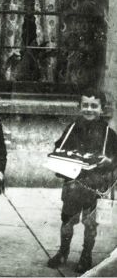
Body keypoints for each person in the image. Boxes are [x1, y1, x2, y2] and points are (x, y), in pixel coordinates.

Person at [47, 88, 117, 273]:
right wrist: (63, 156)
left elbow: (114, 159)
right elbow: (58, 148)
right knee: (67, 221)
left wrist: (108, 161)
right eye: (85, 105)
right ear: (79, 107)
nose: (89, 109)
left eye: (94, 106)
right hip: (73, 184)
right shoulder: (72, 129)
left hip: (96, 186)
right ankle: (63, 252)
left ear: (102, 109)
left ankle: (86, 256)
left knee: (90, 224)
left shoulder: (109, 134)